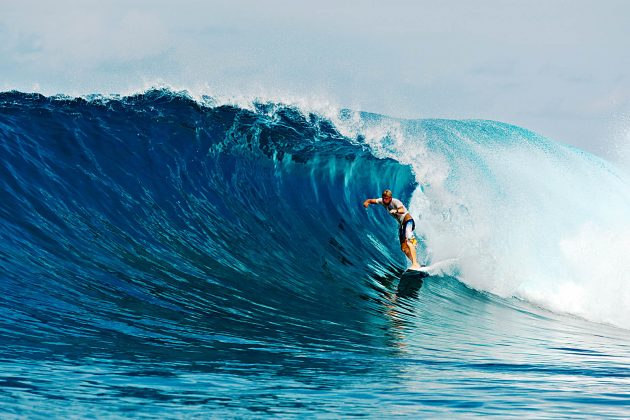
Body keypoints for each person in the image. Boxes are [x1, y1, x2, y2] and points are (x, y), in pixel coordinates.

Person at [363, 189, 421, 270]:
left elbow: (402, 210)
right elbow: (371, 200)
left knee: (409, 241)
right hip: (401, 225)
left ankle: (415, 261)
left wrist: (396, 210)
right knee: (404, 248)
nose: (384, 200)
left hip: (408, 221)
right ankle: (416, 263)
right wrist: (366, 202)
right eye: (383, 198)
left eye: (386, 198)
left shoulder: (395, 201)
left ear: (390, 198)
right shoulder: (382, 201)